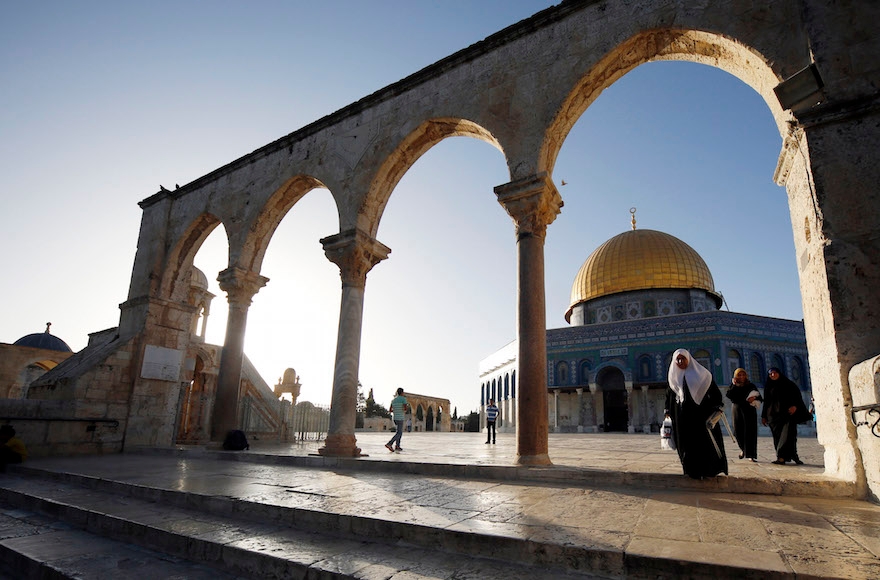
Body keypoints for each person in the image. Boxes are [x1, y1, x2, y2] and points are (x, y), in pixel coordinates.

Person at [665, 349, 728, 479]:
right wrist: (667, 411)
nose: (680, 361)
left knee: (704, 444)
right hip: (682, 419)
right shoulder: (674, 378)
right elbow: (669, 397)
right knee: (686, 445)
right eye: (677, 359)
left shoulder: (703, 375)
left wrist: (717, 407)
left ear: (689, 359)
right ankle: (691, 471)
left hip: (701, 417)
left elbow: (715, 394)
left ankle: (708, 470)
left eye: (683, 358)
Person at [762, 367, 808, 465]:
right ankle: (782, 457)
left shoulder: (789, 384)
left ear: (779, 373)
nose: (773, 375)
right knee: (777, 437)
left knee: (788, 436)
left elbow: (797, 397)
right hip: (773, 416)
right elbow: (766, 402)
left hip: (787, 414)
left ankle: (789, 456)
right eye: (771, 374)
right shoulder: (768, 386)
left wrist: (795, 406)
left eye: (774, 373)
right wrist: (764, 416)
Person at [726, 368, 762, 462]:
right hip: (737, 411)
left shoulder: (750, 385)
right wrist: (734, 385)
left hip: (749, 411)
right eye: (739, 375)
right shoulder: (734, 386)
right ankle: (743, 450)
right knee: (738, 432)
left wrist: (753, 397)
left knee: (750, 432)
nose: (741, 377)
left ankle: (751, 455)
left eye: (743, 375)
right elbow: (729, 395)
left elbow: (760, 397)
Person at [385, 388, 409, 452]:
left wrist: (396, 410)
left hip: (395, 418)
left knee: (398, 432)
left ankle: (397, 446)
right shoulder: (403, 399)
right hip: (400, 417)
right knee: (399, 433)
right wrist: (403, 409)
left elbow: (390, 410)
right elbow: (405, 408)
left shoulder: (393, 400)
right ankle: (389, 443)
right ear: (402, 392)